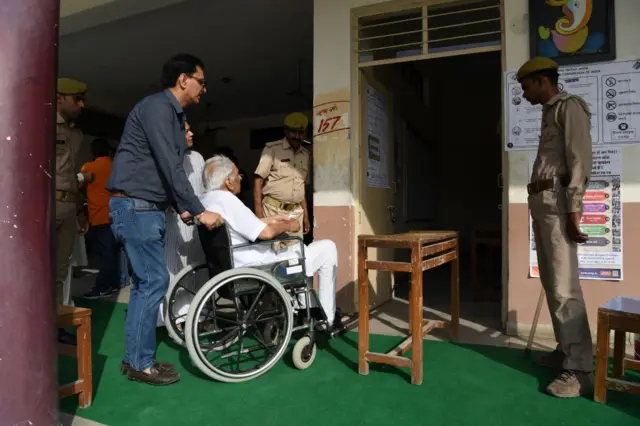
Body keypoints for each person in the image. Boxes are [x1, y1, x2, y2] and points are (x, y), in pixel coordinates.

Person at [107, 53, 223, 386]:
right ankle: (141, 363)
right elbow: (170, 166)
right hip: (137, 207)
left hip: (146, 207)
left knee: (146, 285)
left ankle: (135, 360)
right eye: (201, 81)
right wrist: (199, 210)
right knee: (154, 282)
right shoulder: (159, 107)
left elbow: (162, 169)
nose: (204, 88)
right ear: (183, 79)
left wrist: (180, 206)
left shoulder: (173, 115)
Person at [518, 57, 593, 398]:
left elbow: (579, 159)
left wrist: (575, 209)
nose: (523, 93)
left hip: (558, 204)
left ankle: (580, 369)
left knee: (564, 287)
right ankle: (566, 350)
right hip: (542, 204)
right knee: (551, 281)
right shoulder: (549, 112)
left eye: (526, 86)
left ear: (542, 80)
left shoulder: (569, 107)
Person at [201, 155, 349, 328]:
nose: (240, 178)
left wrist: (274, 218)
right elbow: (266, 233)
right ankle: (327, 319)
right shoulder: (229, 201)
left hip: (227, 266)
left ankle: (306, 310)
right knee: (326, 248)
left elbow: (244, 225)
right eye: (237, 175)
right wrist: (289, 225)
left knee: (303, 255)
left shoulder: (206, 201)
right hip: (259, 267)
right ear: (228, 182)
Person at [157, 121, 206, 328]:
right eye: (186, 131)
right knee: (172, 268)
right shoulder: (164, 158)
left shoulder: (197, 158)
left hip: (195, 222)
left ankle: (195, 315)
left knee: (195, 266)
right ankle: (170, 317)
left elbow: (202, 190)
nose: (191, 133)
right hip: (173, 221)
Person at [56, 78, 91, 345]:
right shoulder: (41, 124)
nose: (81, 104)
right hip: (46, 205)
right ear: (59, 98)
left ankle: (55, 326)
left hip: (68, 206)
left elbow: (72, 175)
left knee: (60, 270)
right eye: (76, 98)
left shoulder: (76, 134)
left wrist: (80, 211)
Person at [81, 138, 127, 299]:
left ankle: (103, 286)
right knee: (117, 251)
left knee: (104, 254)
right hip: (118, 213)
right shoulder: (116, 166)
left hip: (99, 216)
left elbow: (78, 184)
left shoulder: (89, 167)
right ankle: (117, 282)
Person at [254, 112, 311, 240]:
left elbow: (301, 188)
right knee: (275, 252)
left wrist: (306, 216)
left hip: (296, 214)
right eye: (293, 132)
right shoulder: (272, 149)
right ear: (286, 131)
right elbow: (258, 181)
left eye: (301, 133)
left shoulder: (305, 154)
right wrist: (259, 216)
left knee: (295, 254)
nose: (297, 136)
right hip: (273, 211)